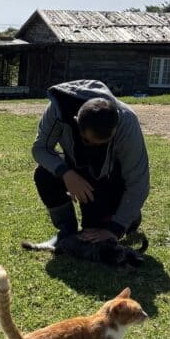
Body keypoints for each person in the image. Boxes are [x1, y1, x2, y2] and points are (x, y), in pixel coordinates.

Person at [30, 79, 150, 250]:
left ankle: (130, 219)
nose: (95, 147)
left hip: (109, 177)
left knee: (94, 230)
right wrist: (66, 173)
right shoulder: (58, 110)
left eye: (103, 143)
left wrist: (115, 229)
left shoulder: (127, 122)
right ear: (76, 121)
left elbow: (139, 182)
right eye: (88, 141)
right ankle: (66, 231)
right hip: (75, 168)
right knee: (44, 174)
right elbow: (40, 149)